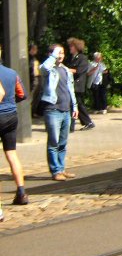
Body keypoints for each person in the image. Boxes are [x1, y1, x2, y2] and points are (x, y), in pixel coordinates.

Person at [40, 44, 79, 181]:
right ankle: (55, 171)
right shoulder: (49, 70)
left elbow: (71, 90)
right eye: (58, 52)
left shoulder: (65, 70)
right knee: (53, 142)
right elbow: (43, 68)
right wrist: (54, 55)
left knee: (63, 142)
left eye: (62, 52)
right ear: (51, 54)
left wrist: (75, 107)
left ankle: (61, 169)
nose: (61, 55)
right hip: (52, 110)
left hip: (66, 110)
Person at [0, 49, 29, 208]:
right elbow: (22, 94)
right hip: (11, 116)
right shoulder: (12, 73)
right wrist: (10, 103)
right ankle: (21, 192)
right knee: (11, 153)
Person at [66, 37, 94, 130]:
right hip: (72, 85)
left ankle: (87, 122)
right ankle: (84, 122)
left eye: (71, 46)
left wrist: (66, 70)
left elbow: (79, 71)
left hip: (78, 85)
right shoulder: (72, 58)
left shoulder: (82, 58)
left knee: (78, 104)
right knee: (76, 105)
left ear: (76, 47)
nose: (70, 48)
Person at [29, 43, 42, 117]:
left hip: (37, 78)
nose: (36, 51)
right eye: (34, 49)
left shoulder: (35, 58)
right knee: (32, 96)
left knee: (36, 97)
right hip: (33, 79)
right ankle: (30, 112)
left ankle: (33, 112)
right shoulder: (29, 58)